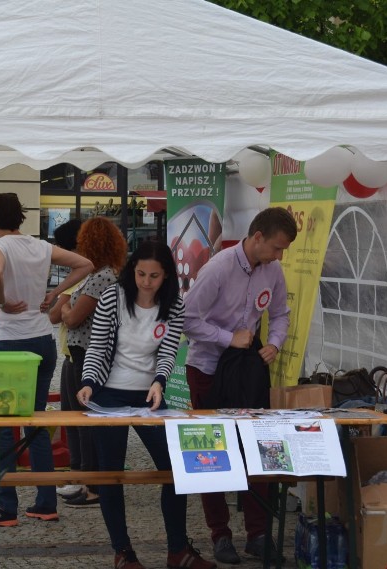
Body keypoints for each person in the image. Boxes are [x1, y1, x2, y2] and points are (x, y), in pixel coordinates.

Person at [77, 241, 215, 569]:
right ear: (132, 270)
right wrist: (88, 382)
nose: (146, 281)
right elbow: (97, 346)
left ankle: (178, 549)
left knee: (175, 469)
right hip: (108, 394)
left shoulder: (174, 305)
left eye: (154, 275)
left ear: (166, 275)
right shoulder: (113, 297)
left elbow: (168, 352)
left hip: (148, 396)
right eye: (140, 273)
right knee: (111, 474)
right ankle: (123, 551)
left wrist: (159, 381)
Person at [0, 192, 93, 528]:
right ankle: (45, 502)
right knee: (36, 423)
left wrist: (1, 302)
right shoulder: (39, 246)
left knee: (4, 426)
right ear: (21, 217)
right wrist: (55, 292)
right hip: (42, 340)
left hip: (11, 344)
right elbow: (85, 264)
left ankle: (5, 507)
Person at [183, 206, 297, 564]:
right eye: (277, 248)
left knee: (258, 448)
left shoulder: (273, 271)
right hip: (208, 367)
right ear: (258, 237)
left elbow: (280, 313)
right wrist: (227, 337)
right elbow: (187, 319)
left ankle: (258, 533)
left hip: (247, 370)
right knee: (212, 453)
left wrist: (275, 342)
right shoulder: (218, 268)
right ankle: (220, 534)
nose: (279, 257)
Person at [58, 216, 127, 507]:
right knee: (79, 420)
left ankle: (93, 486)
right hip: (83, 353)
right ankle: (85, 480)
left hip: (88, 354)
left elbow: (72, 318)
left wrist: (65, 307)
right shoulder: (105, 274)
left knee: (86, 421)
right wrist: (65, 307)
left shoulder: (101, 277)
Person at [47, 218, 83, 500]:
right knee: (71, 418)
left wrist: (61, 300)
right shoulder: (81, 273)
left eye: (59, 245)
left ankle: (81, 476)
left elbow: (58, 315)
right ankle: (79, 474)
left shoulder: (82, 273)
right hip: (72, 353)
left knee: (76, 419)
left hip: (79, 355)